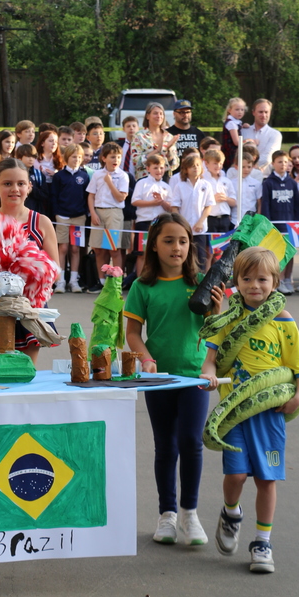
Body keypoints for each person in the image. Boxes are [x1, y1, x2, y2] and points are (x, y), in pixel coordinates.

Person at [201, 247, 299, 574]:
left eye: (262, 279)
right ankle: (231, 513)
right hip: (234, 412)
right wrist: (208, 376)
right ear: (236, 281)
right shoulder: (229, 318)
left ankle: (263, 542)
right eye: (246, 279)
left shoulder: (283, 319)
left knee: (266, 479)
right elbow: (211, 359)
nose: (254, 285)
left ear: (275, 282)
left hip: (270, 413)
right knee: (235, 475)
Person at [124, 212, 222, 546]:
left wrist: (216, 312)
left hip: (195, 377)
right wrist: (146, 359)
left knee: (191, 442)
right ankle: (166, 514)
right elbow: (133, 333)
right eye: (168, 241)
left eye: (183, 241)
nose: (177, 247)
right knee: (165, 445)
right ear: (154, 245)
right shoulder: (142, 287)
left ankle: (189, 513)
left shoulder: (203, 282)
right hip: (159, 378)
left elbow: (216, 331)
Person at [0, 157, 58, 364]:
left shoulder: (41, 222)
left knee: (26, 373)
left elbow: (55, 274)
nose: (14, 189)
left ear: (29, 187)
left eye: (20, 183)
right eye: (7, 183)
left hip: (30, 307)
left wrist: (28, 265)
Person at [259, 151, 299, 294]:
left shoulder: (292, 183)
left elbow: (297, 205)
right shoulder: (268, 183)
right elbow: (265, 205)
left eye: (285, 162)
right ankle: (278, 281)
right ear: (273, 164)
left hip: (290, 225)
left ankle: (287, 279)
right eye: (279, 162)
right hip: (275, 226)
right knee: (277, 255)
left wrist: (297, 224)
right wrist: (268, 225)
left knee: (289, 253)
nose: (283, 165)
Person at [87, 141, 128, 279]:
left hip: (114, 213)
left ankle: (117, 280)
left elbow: (121, 198)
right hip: (98, 212)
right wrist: (93, 213)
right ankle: (102, 280)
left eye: (118, 157)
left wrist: (109, 182)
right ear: (104, 158)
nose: (116, 160)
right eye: (112, 157)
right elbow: (91, 195)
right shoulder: (97, 174)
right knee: (98, 249)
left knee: (113, 249)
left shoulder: (122, 175)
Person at [51, 142, 89, 293]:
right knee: (63, 247)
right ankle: (60, 281)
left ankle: (74, 281)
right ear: (67, 158)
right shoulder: (59, 176)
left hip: (79, 217)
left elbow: (87, 196)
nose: (77, 159)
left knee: (75, 248)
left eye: (79, 157)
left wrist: (85, 212)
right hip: (62, 216)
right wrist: (57, 213)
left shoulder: (84, 176)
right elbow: (54, 196)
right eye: (74, 157)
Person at [170, 151, 215, 269]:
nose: (195, 168)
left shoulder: (206, 185)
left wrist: (200, 222)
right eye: (192, 166)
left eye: (198, 165)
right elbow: (174, 207)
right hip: (184, 230)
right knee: (185, 257)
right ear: (186, 169)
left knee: (200, 258)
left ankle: (200, 279)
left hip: (200, 230)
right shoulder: (180, 186)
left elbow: (208, 206)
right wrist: (181, 224)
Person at [131, 152, 172, 277]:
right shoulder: (142, 183)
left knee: (159, 253)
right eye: (155, 168)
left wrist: (162, 202)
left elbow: (170, 208)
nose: (159, 170)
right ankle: (140, 280)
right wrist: (152, 203)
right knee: (142, 253)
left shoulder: (166, 186)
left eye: (161, 167)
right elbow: (135, 201)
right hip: (144, 222)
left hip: (161, 223)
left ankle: (157, 278)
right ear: (148, 169)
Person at [130, 102, 179, 180]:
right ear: (147, 116)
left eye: (161, 114)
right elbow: (136, 162)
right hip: (145, 178)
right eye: (155, 113)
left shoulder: (169, 136)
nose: (159, 116)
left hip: (165, 179)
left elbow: (174, 165)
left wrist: (168, 150)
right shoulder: (139, 136)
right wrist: (156, 151)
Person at [241, 98, 281, 171]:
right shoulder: (243, 131)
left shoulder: (275, 135)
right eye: (260, 112)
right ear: (253, 112)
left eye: (266, 112)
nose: (263, 115)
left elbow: (267, 158)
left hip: (264, 176)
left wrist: (247, 166)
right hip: (242, 175)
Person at [168, 100, 206, 165]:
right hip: (175, 170)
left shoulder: (199, 133)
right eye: (181, 112)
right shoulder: (168, 134)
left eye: (188, 112)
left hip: (195, 169)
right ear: (174, 114)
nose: (185, 115)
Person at [219, 97, 247, 171]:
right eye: (237, 109)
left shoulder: (235, 122)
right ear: (229, 110)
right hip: (231, 153)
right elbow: (237, 142)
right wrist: (249, 141)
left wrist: (243, 126)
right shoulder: (231, 123)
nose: (240, 112)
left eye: (242, 110)